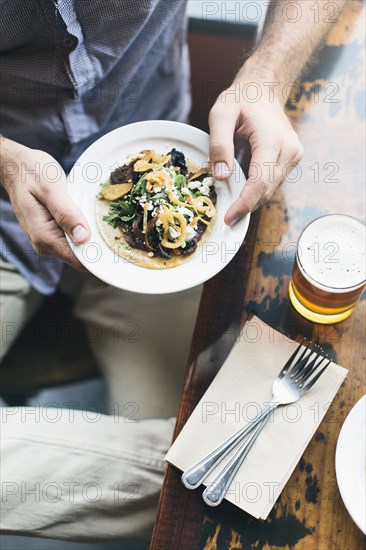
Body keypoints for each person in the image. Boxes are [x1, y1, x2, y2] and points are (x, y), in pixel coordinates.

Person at [0, 0, 346, 543]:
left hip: (162, 166)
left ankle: (196, 464)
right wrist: (5, 160)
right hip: (3, 220)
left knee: (213, 406)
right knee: (206, 463)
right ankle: (193, 469)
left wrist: (267, 76)